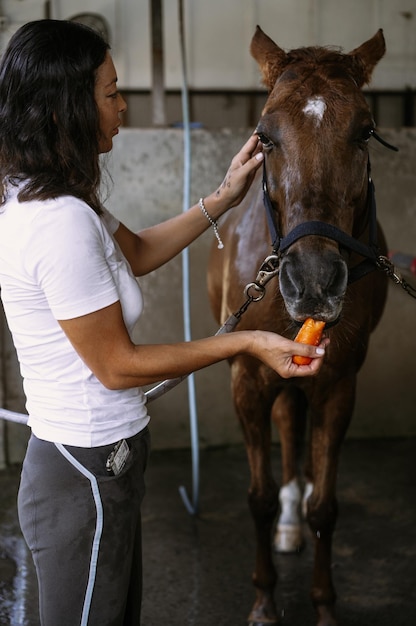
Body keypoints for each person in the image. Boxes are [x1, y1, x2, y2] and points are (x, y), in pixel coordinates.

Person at [0, 19, 328, 626]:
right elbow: (118, 366)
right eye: (111, 93)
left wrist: (224, 196)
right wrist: (248, 341)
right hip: (85, 473)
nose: (122, 106)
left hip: (103, 462)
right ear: (66, 106)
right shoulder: (58, 223)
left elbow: (140, 250)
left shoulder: (63, 201)